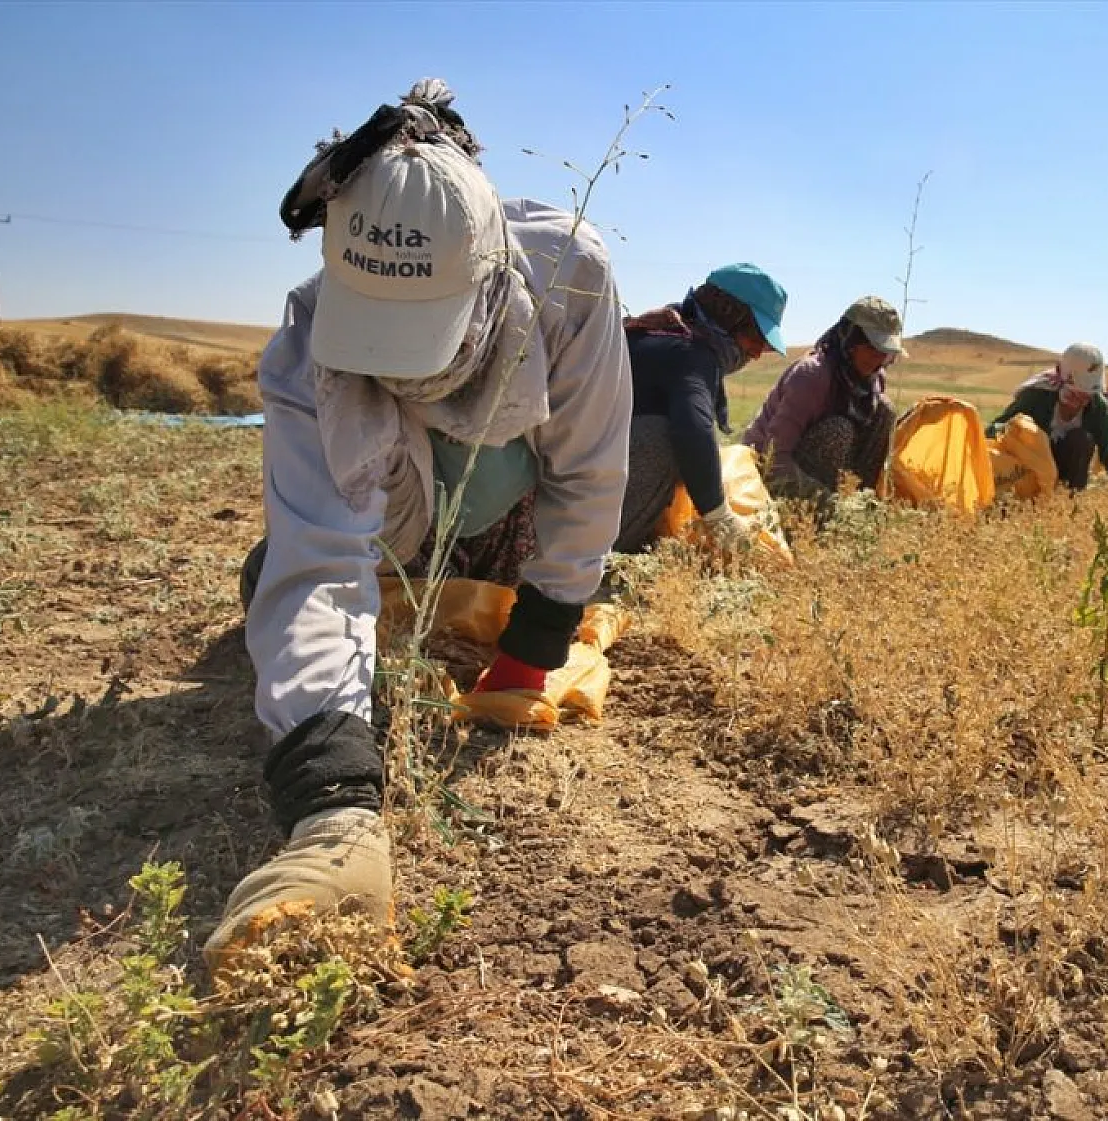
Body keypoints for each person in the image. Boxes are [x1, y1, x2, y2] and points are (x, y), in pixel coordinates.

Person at [208, 80, 631, 960]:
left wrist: (536, 640)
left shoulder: (568, 274)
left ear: (486, 272)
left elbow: (589, 469)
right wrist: (334, 808)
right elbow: (323, 562)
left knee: (517, 582)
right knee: (276, 584)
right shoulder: (305, 342)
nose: (403, 376)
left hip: (502, 509)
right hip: (394, 520)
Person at [611, 264, 787, 554]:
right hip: (570, 503)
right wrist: (720, 517)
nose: (756, 354)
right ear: (730, 317)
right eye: (755, 338)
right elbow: (692, 429)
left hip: (565, 484)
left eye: (764, 346)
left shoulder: (661, 334)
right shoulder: (689, 352)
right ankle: (601, 557)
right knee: (667, 439)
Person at [742, 296, 904, 505]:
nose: (879, 360)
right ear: (850, 340)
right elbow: (773, 459)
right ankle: (819, 515)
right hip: (768, 472)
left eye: (886, 353)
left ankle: (857, 505)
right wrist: (827, 500)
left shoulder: (874, 378)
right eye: (873, 349)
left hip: (829, 480)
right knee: (839, 429)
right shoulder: (811, 375)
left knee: (886, 411)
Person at [985, 343, 1108, 490]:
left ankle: (1070, 498)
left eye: (1085, 397)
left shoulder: (1098, 407)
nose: (1079, 402)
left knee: (1081, 439)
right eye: (1074, 394)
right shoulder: (1037, 396)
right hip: (1033, 465)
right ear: (1061, 382)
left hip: (1068, 468)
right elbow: (998, 426)